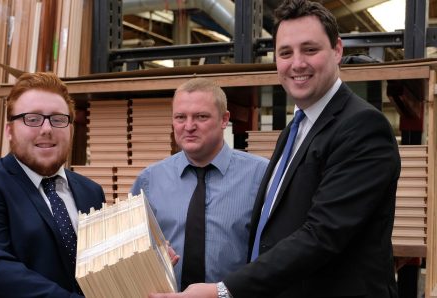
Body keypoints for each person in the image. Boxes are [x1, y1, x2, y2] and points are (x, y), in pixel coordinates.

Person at [149, 0, 401, 297]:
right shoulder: (295, 131)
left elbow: (322, 235)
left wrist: (222, 290)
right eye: (285, 53)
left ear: (337, 50)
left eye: (310, 49)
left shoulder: (361, 127)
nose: (297, 63)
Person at [131, 78, 268, 290]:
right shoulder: (149, 181)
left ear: (224, 119)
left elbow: (275, 254)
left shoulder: (261, 176)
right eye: (180, 117)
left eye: (201, 117)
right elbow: (131, 253)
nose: (189, 126)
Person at [0, 72, 106, 297]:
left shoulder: (92, 192)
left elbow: (102, 263)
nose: (46, 129)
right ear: (9, 131)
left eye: (58, 119)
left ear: (70, 129)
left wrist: (148, 258)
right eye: (32, 119)